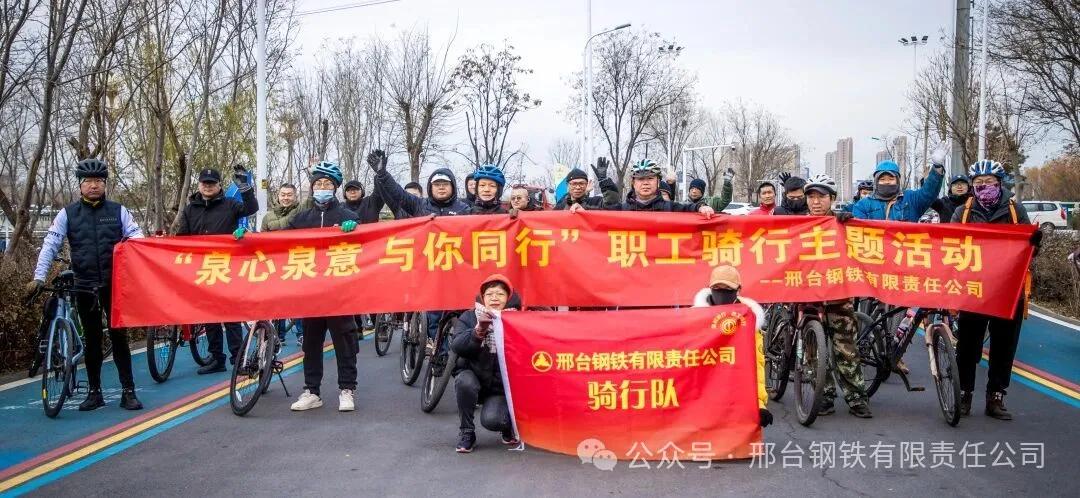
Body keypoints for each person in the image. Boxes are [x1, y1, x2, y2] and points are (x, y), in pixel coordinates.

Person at [26, 158, 145, 411]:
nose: (93, 185)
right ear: (80, 185)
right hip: (84, 284)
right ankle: (94, 392)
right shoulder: (67, 214)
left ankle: (128, 391)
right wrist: (39, 277)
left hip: (114, 284)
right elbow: (50, 245)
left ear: (105, 184)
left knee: (119, 337)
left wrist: (136, 257)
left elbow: (137, 237)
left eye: (98, 181)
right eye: (88, 181)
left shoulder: (119, 211)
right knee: (92, 340)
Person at [951, 160, 1041, 420]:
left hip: (1008, 290)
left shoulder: (1015, 211)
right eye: (978, 183)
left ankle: (996, 397)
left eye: (989, 182)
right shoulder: (963, 212)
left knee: (1003, 346)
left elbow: (1029, 251)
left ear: (1000, 183)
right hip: (974, 290)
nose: (984, 187)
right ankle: (964, 394)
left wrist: (1035, 242)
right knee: (968, 346)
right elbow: (950, 246)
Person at [287, 161, 363, 412]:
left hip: (340, 291)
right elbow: (275, 241)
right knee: (311, 342)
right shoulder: (300, 219)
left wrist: (355, 230)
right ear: (312, 187)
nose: (322, 187)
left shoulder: (348, 216)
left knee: (344, 342)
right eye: (318, 183)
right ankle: (312, 391)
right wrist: (244, 237)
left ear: (335, 188)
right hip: (311, 291)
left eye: (327, 184)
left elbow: (365, 245)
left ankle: (347, 389)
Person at [177, 166, 259, 374]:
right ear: (199, 185)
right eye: (205, 183)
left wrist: (245, 189)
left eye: (212, 183)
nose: (208, 187)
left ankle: (238, 359)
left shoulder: (230, 204)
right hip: (202, 270)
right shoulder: (190, 209)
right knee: (209, 316)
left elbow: (251, 208)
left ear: (219, 185)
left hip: (227, 268)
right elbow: (181, 238)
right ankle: (216, 358)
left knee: (231, 316)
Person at [806, 174, 873, 418]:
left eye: (821, 196)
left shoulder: (844, 223)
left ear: (832, 199)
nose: (816, 202)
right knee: (814, 350)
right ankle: (824, 396)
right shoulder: (796, 227)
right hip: (809, 296)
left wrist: (847, 221)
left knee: (846, 349)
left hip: (839, 296)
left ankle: (856, 398)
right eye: (811, 197)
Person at [691, 265, 772, 428]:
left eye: (728, 289)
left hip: (735, 392)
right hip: (703, 395)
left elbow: (756, 364)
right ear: (709, 288)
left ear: (738, 290)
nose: (722, 293)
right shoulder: (694, 318)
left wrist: (759, 403)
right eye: (717, 288)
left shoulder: (748, 322)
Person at [452, 274, 519, 452]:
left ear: (508, 297)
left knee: (493, 420)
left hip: (499, 387)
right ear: (483, 298)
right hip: (474, 377)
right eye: (489, 294)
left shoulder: (518, 319)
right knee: (464, 381)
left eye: (500, 294)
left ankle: (507, 425)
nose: (494, 298)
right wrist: (478, 331)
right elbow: (457, 346)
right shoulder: (469, 317)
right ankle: (467, 432)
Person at [575, 159, 715, 215]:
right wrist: (583, 211)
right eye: (641, 179)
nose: (645, 183)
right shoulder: (621, 210)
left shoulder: (670, 208)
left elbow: (689, 208)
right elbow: (598, 217)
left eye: (650, 178)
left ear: (658, 182)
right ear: (633, 183)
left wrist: (701, 207)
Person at [851, 146, 945, 221]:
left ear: (898, 180)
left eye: (891, 178)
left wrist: (937, 167)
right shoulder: (863, 205)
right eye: (882, 179)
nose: (887, 182)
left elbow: (928, 193)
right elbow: (857, 229)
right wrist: (846, 220)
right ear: (876, 181)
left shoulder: (911, 199)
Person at [261, 183, 304, 345]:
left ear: (295, 196)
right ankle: (279, 336)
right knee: (278, 299)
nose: (286, 198)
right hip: (275, 263)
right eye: (283, 194)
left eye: (289, 194)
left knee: (298, 300)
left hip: (297, 261)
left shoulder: (302, 212)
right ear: (278, 196)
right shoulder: (268, 217)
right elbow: (261, 239)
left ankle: (302, 334)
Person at [554, 157, 620, 210]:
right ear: (568, 185)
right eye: (574, 184)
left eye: (581, 183)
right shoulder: (560, 206)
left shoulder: (594, 203)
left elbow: (612, 205)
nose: (578, 187)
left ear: (586, 185)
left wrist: (603, 180)